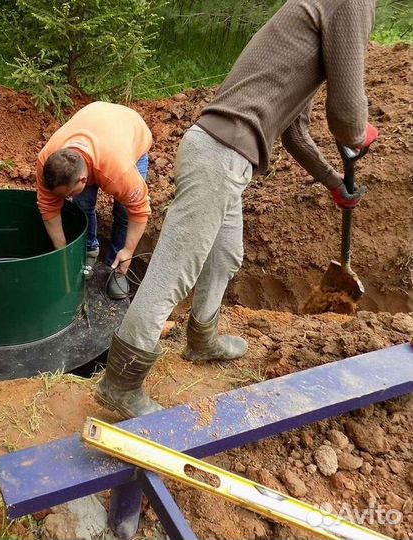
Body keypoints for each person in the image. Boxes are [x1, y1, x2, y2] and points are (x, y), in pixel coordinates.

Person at [96, 0, 380, 418]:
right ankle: (120, 384)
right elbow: (347, 115)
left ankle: (202, 339)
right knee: (174, 270)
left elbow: (296, 132)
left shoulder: (313, 17)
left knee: (226, 254)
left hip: (225, 156)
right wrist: (360, 132)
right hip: (219, 156)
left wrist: (334, 183)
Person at [36, 101, 153, 299]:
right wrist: (64, 253)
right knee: (82, 204)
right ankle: (90, 251)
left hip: (131, 133)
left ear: (83, 179)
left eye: (67, 194)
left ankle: (116, 270)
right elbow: (48, 208)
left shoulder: (119, 172)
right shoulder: (46, 160)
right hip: (96, 123)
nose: (64, 200)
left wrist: (129, 252)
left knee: (124, 212)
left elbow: (139, 211)